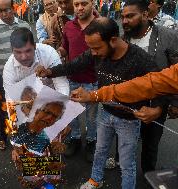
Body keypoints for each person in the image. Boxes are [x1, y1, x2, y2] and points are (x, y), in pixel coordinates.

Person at [36, 17, 164, 189]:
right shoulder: (95, 53)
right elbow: (73, 66)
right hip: (105, 113)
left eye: (96, 48)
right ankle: (96, 179)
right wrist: (49, 71)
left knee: (127, 163)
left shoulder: (140, 59)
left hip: (129, 120)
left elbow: (161, 84)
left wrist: (157, 108)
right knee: (100, 151)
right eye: (90, 48)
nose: (93, 53)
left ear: (113, 40)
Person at [70, 55, 178, 158]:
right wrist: (95, 95)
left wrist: (160, 107)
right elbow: (148, 84)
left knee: (130, 158)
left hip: (130, 120)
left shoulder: (141, 55)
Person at [122, 0, 178, 174]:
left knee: (150, 144)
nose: (124, 21)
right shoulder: (124, 38)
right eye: (122, 17)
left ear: (145, 15)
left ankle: (149, 175)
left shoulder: (168, 37)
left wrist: (177, 102)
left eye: (130, 16)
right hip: (128, 103)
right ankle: (124, 170)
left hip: (156, 104)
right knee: (126, 140)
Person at [0, 0, 30, 151]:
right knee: (3, 108)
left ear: (13, 8)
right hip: (1, 76)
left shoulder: (24, 26)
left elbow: (31, 50)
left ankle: (22, 135)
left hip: (23, 75)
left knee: (24, 106)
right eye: (0, 11)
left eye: (7, 10)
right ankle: (2, 136)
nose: (4, 14)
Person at [57, 0, 99, 162]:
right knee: (72, 114)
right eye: (76, 4)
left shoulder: (100, 25)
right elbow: (64, 48)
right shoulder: (69, 26)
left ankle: (90, 141)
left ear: (92, 3)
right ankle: (74, 139)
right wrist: (53, 53)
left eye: (84, 3)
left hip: (93, 81)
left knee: (92, 117)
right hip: (72, 79)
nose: (80, 8)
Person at [3, 27, 69, 98]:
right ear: (12, 50)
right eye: (18, 52)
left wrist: (61, 106)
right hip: (27, 103)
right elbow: (11, 98)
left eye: (28, 51)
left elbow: (62, 86)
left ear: (34, 46)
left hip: (53, 99)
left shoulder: (49, 53)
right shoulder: (9, 68)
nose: (24, 57)